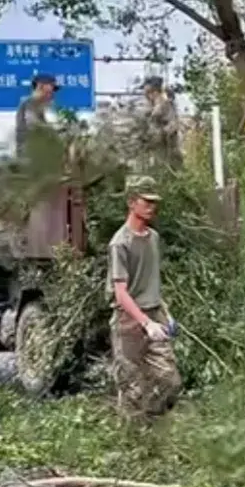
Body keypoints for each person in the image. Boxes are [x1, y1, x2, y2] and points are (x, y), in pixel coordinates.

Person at [107, 177, 182, 418]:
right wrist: (145, 323)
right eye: (146, 201)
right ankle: (134, 441)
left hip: (154, 313)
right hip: (128, 321)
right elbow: (121, 293)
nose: (151, 206)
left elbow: (153, 282)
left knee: (170, 381)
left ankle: (151, 423)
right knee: (132, 389)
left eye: (154, 202)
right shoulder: (120, 244)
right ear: (131, 202)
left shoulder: (154, 239)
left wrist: (165, 315)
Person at [14, 72, 60, 157]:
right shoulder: (30, 102)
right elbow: (32, 123)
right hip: (29, 153)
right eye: (50, 90)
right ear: (40, 86)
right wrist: (54, 128)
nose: (52, 94)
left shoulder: (41, 106)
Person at [142, 76, 182, 164]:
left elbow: (173, 125)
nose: (145, 96)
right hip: (158, 150)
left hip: (167, 151)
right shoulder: (153, 107)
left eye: (147, 93)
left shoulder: (164, 105)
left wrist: (160, 133)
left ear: (154, 92)